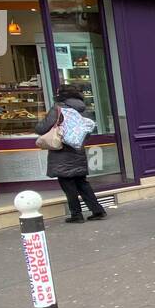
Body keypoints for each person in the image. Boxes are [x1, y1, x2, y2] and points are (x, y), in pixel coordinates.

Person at [35, 86, 106, 223]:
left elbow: (41, 128)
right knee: (82, 183)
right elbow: (87, 131)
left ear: (61, 95)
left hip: (62, 152)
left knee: (68, 185)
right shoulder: (83, 109)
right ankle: (97, 210)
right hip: (78, 150)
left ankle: (76, 215)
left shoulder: (58, 109)